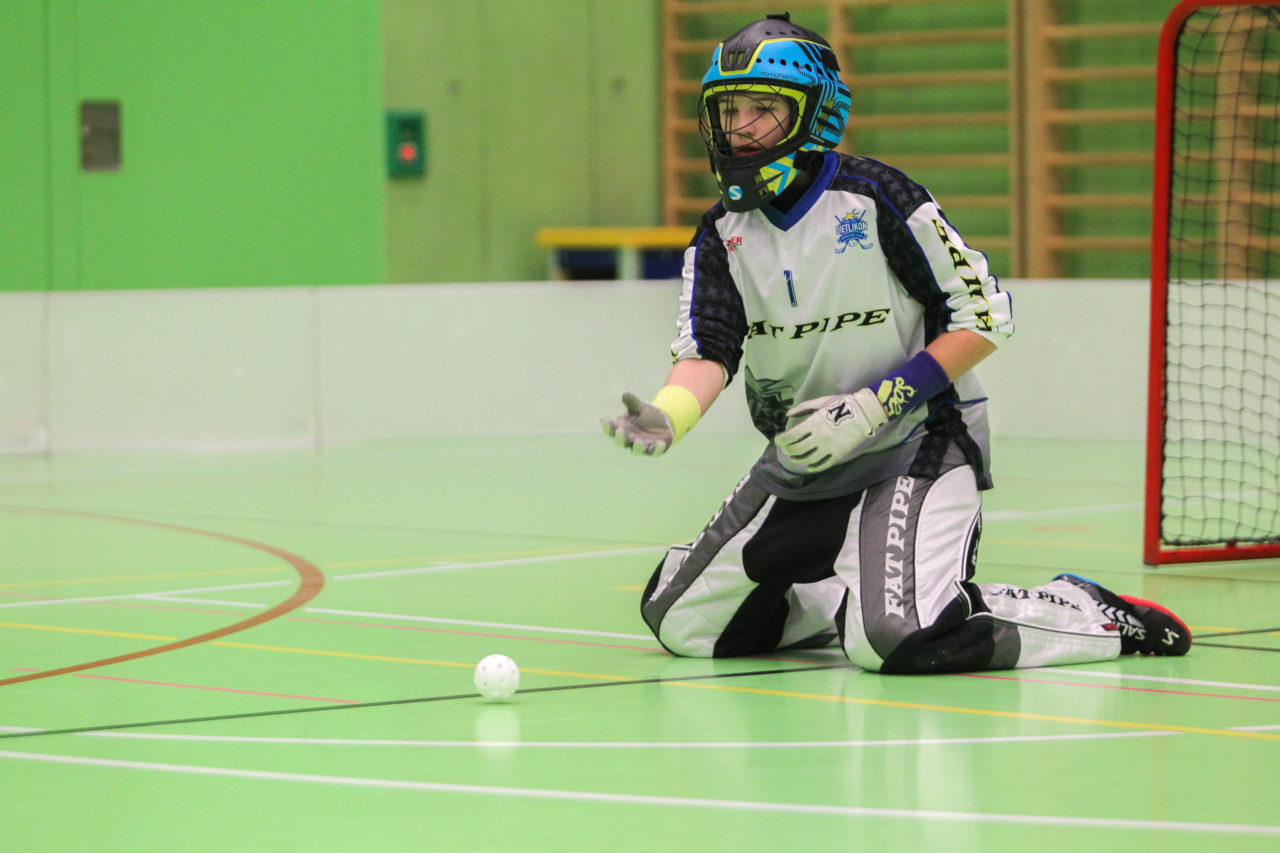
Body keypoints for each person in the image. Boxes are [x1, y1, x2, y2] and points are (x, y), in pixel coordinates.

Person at [602, 12, 1190, 673]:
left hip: (918, 441)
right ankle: (845, 600)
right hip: (806, 459)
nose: (738, 128)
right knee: (682, 619)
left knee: (897, 639)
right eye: (728, 110)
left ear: (813, 116)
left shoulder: (878, 199)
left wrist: (873, 407)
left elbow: (979, 318)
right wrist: (668, 413)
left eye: (762, 110)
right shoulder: (720, 235)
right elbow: (710, 346)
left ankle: (1080, 611)